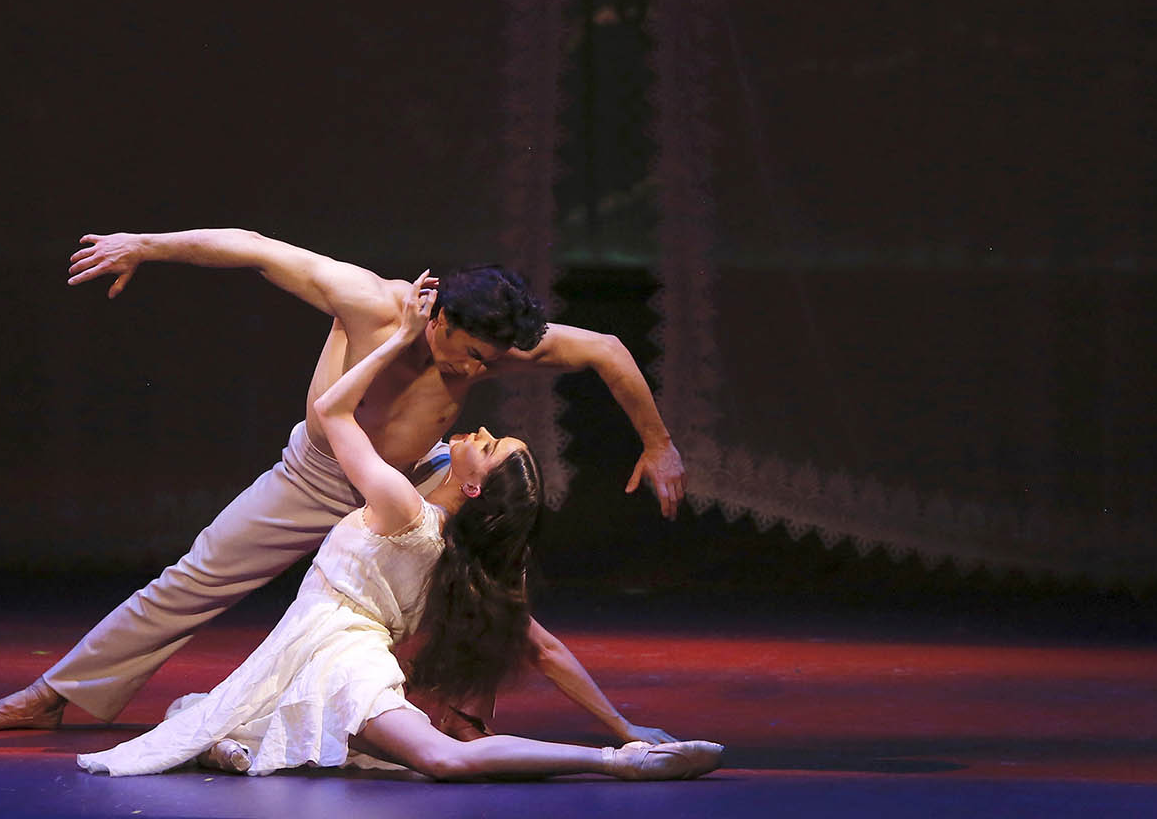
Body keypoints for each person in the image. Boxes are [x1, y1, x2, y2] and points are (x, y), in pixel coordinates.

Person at [0, 228, 685, 741]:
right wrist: (147, 245)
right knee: (192, 580)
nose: (478, 375)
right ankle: (53, 695)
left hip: (408, 481)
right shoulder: (368, 302)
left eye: (492, 364)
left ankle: (465, 710)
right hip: (319, 476)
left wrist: (658, 444)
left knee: (496, 559)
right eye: (469, 357)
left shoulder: (494, 346)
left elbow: (610, 350)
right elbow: (255, 248)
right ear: (439, 318)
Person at [77, 275, 723, 780]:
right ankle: (598, 755)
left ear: (472, 486)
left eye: (490, 445)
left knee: (438, 760)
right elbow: (543, 648)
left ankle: (608, 765)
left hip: (342, 655)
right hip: (335, 621)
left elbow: (332, 411)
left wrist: (392, 339)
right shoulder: (454, 554)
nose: (479, 423)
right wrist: (621, 724)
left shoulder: (397, 503)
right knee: (201, 641)